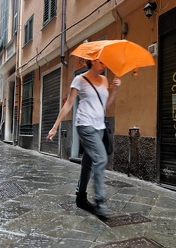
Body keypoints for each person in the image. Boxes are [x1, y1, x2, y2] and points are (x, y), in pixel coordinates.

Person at [47, 59, 121, 218]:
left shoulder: (104, 80)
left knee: (88, 162)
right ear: (93, 61)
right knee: (101, 159)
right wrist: (55, 127)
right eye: (101, 62)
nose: (104, 65)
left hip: (100, 127)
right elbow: (68, 104)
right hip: (85, 125)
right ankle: (99, 201)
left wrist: (114, 90)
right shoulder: (79, 80)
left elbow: (105, 105)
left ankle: (80, 196)